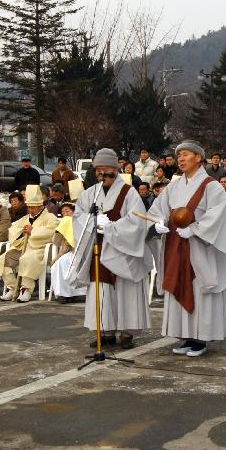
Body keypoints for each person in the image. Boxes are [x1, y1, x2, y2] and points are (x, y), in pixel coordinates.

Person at [146, 139, 226, 357]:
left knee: (199, 288)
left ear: (198, 157)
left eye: (185, 154)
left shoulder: (212, 186)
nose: (181, 159)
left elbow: (218, 215)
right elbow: (158, 209)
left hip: (200, 246)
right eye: (179, 156)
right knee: (179, 282)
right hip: (175, 245)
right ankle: (186, 335)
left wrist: (196, 229)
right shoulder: (174, 186)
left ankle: (201, 338)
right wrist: (157, 224)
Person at [67, 148, 151, 348]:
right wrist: (92, 223)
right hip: (99, 247)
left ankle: (127, 333)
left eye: (105, 169)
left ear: (115, 169)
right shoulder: (90, 194)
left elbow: (137, 221)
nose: (100, 173)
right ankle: (105, 331)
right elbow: (78, 216)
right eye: (97, 169)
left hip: (123, 249)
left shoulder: (129, 193)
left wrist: (112, 227)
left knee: (125, 290)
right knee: (101, 289)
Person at [0, 184, 58, 302]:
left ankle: (26, 290)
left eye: (34, 208)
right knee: (3, 259)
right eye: (29, 207)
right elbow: (13, 228)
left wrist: (33, 231)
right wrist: (21, 231)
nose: (31, 210)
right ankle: (12, 287)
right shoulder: (26, 218)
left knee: (27, 258)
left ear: (41, 206)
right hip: (22, 246)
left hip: (39, 248)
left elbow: (51, 231)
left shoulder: (50, 217)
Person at [50, 201, 85, 304]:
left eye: (67, 211)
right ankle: (63, 294)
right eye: (63, 212)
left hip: (83, 251)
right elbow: (59, 243)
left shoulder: (80, 221)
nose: (65, 213)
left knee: (71, 263)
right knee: (60, 263)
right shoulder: (65, 222)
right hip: (70, 252)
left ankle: (75, 293)